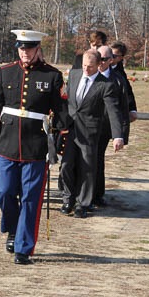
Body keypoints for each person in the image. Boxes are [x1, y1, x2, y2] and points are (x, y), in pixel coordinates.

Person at [0, 30, 66, 265]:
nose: (25, 53)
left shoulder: (52, 76)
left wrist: (58, 147)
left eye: (29, 48)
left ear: (37, 49)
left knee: (31, 199)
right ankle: (13, 228)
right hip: (6, 143)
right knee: (4, 190)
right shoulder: (5, 72)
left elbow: (63, 115)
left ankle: (23, 248)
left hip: (36, 147)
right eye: (21, 48)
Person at [59, 49, 124, 219]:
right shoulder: (74, 75)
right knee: (66, 165)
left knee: (87, 168)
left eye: (90, 67)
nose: (86, 70)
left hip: (90, 132)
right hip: (71, 130)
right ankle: (68, 199)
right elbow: (66, 100)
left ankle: (83, 204)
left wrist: (118, 136)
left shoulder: (106, 84)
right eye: (84, 66)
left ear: (99, 65)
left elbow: (113, 111)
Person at [92, 45, 130, 207]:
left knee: (97, 159)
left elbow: (123, 107)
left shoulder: (118, 80)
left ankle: (97, 195)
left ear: (111, 60)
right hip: (86, 126)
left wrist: (121, 134)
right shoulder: (88, 75)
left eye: (104, 59)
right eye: (98, 59)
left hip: (105, 127)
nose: (100, 62)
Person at [110, 41, 138, 123]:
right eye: (109, 53)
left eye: (113, 56)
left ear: (120, 58)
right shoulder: (97, 67)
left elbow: (127, 90)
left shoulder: (120, 72)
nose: (109, 57)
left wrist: (132, 109)